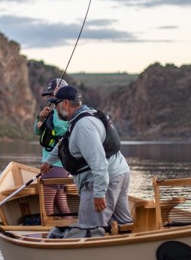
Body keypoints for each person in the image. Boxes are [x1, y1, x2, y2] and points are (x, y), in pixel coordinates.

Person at [40, 85, 132, 230]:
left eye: (56, 104)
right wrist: (48, 162)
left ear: (65, 103)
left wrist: (99, 193)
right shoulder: (83, 117)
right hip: (119, 173)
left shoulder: (83, 126)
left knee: (90, 229)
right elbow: (65, 142)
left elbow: (99, 161)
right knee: (123, 226)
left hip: (103, 180)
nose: (55, 109)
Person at [35, 78, 72, 218]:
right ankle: (69, 228)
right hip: (56, 166)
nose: (50, 98)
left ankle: (50, 234)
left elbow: (59, 127)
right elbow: (37, 131)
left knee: (47, 205)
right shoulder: (51, 112)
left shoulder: (65, 113)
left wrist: (55, 108)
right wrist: (40, 117)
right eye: (49, 95)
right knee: (60, 202)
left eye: (52, 95)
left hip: (55, 165)